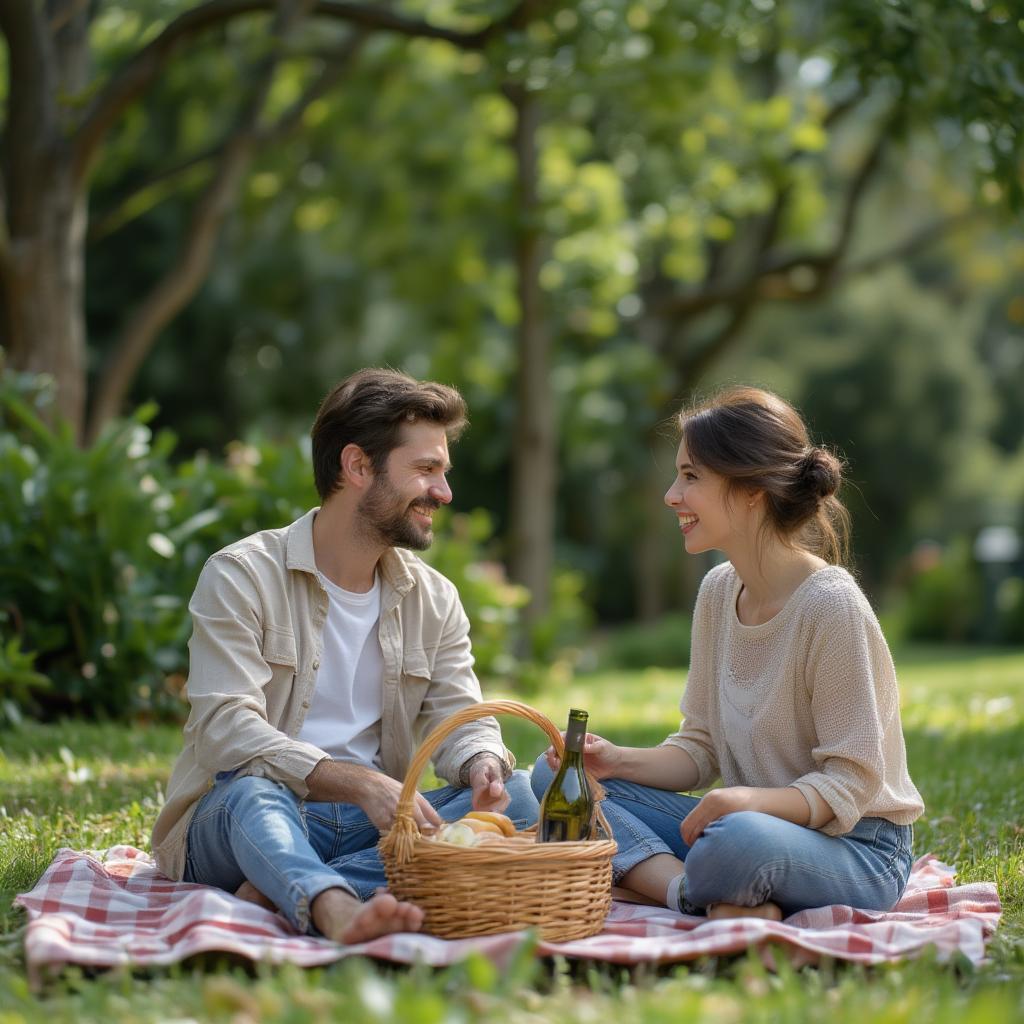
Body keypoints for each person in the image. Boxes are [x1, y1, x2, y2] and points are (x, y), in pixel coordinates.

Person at [152, 368, 538, 943]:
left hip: (374, 824)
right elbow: (224, 728)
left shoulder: (434, 599)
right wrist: (354, 781)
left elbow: (459, 714)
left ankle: (286, 888)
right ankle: (334, 907)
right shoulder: (241, 576)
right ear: (357, 466)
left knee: (525, 798)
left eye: (443, 472)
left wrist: (481, 761)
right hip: (250, 816)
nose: (444, 492)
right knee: (249, 794)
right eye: (425, 470)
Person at [533, 386, 924, 920]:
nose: (672, 495)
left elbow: (852, 782)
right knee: (554, 778)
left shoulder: (831, 607)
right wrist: (618, 760)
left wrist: (749, 803)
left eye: (691, 477)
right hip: (750, 825)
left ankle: (693, 883)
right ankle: (690, 894)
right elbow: (701, 749)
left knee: (734, 840)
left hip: (857, 848)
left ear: (751, 491)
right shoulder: (719, 592)